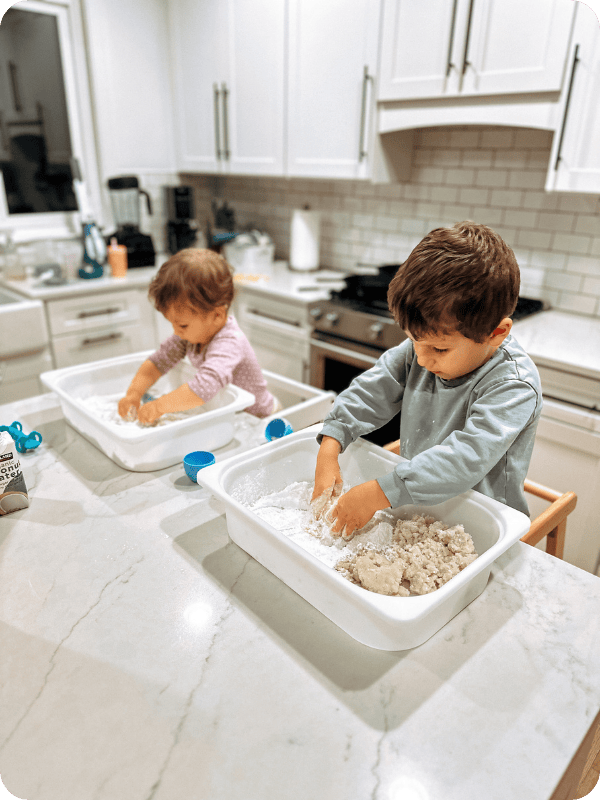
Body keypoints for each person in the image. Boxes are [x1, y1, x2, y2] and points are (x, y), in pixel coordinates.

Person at [311, 220, 542, 540]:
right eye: (413, 341)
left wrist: (380, 492)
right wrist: (330, 446)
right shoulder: (420, 352)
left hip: (482, 522)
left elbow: (464, 459)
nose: (421, 358)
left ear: (496, 333)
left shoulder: (512, 387)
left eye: (439, 348)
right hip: (416, 501)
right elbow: (370, 390)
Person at [118, 248, 276, 425]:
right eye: (173, 324)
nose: (177, 332)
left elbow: (202, 388)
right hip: (229, 416)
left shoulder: (230, 342)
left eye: (182, 325)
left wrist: (159, 406)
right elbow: (157, 362)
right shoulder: (189, 337)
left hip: (259, 418)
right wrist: (134, 393)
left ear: (217, 315)